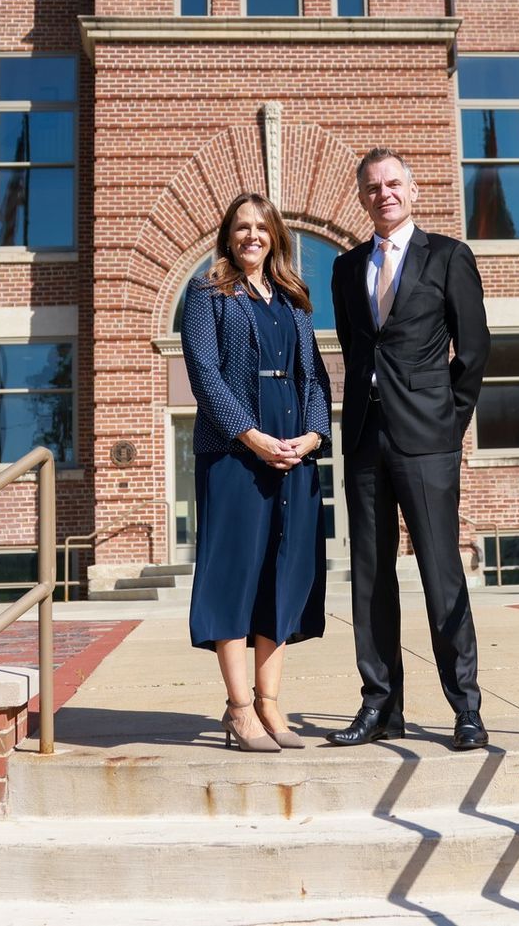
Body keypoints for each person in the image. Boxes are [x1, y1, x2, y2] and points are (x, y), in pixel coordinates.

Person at [327, 147, 491, 751]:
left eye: (393, 183)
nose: (383, 194)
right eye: (372, 187)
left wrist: (448, 424)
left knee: (441, 574)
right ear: (362, 196)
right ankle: (381, 706)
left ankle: (466, 709)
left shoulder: (448, 256)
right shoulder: (346, 270)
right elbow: (353, 352)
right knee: (370, 577)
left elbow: (473, 351)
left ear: (412, 191)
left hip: (428, 443)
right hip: (366, 440)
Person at [181, 192, 333, 752]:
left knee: (282, 577)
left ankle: (271, 704)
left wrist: (314, 434)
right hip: (233, 457)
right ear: (228, 235)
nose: (252, 236)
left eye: (261, 228)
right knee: (234, 577)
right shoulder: (208, 291)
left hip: (294, 454)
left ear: (275, 236)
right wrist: (250, 435)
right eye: (241, 227)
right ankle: (239, 709)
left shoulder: (294, 298)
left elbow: (313, 376)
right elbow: (205, 374)